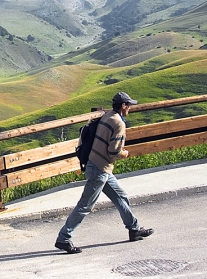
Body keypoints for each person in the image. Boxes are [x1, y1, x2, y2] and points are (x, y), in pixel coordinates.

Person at [54, 91, 154, 254]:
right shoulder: (119, 123)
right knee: (85, 206)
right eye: (128, 105)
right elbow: (113, 151)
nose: (130, 108)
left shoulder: (108, 115)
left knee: (120, 196)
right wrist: (125, 153)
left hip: (99, 167)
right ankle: (64, 238)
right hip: (100, 170)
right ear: (123, 106)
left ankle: (134, 229)